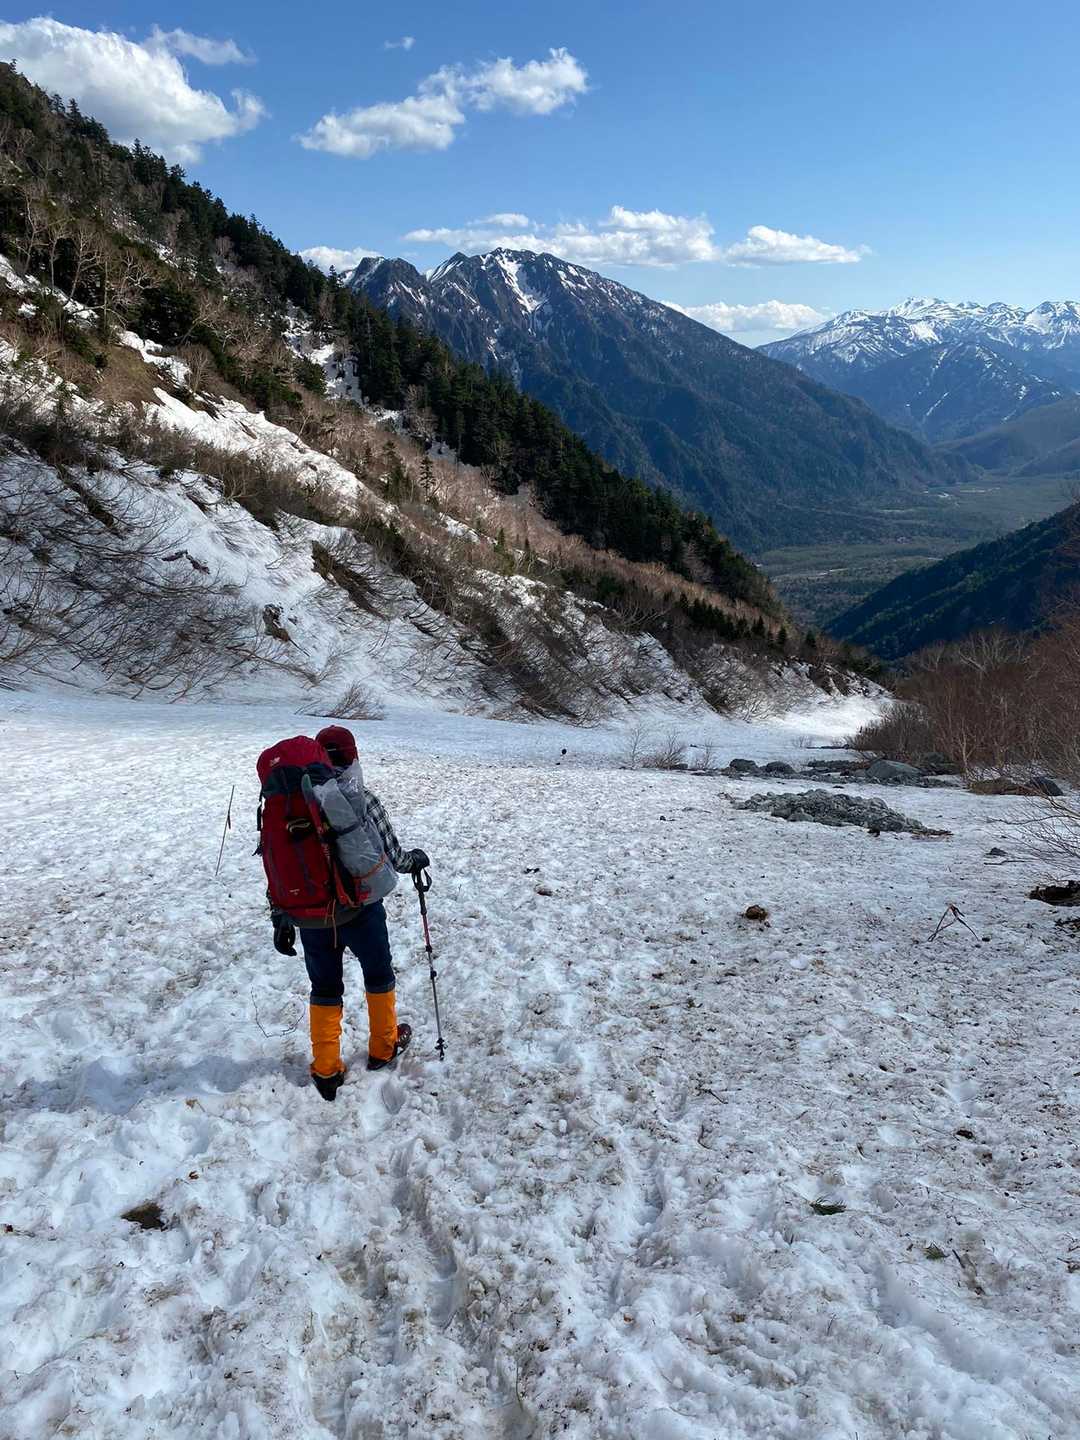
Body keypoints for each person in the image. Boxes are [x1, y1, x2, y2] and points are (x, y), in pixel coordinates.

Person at [271, 724, 430, 1101]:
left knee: (324, 987)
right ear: (354, 756)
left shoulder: (289, 804)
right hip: (362, 909)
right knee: (379, 974)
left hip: (313, 916)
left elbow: (277, 865)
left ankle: (326, 1068)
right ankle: (383, 1047)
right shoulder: (363, 799)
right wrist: (416, 860)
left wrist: (280, 915)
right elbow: (394, 857)